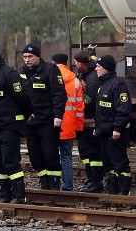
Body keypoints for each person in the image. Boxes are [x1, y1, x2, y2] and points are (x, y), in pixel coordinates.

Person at [0, 45, 32, 204]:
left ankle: (18, 195)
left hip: (9, 126)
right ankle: (4, 194)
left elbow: (23, 98)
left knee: (10, 161)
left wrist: (24, 116)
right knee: (0, 162)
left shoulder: (8, 74)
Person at [19, 43, 67, 190]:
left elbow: (59, 95)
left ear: (38, 57)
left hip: (47, 120)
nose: (27, 60)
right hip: (30, 121)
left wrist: (58, 115)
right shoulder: (21, 72)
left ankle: (54, 183)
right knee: (35, 156)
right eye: (25, 57)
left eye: (30, 57)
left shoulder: (50, 70)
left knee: (50, 154)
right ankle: (43, 180)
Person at [94, 55, 132, 195]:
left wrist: (117, 128)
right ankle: (112, 191)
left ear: (107, 69)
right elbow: (101, 111)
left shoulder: (118, 85)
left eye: (99, 66)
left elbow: (123, 110)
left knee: (120, 163)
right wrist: (98, 128)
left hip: (115, 133)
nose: (96, 69)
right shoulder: (103, 84)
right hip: (104, 132)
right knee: (109, 164)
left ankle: (124, 193)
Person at [52, 53, 84, 191]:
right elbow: (79, 107)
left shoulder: (49, 77)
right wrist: (78, 126)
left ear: (53, 62)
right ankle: (68, 186)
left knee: (52, 157)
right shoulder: (75, 80)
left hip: (52, 125)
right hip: (69, 125)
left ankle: (54, 186)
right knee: (66, 158)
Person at [74, 49, 104, 192]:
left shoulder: (91, 79)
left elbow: (88, 101)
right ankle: (90, 178)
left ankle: (96, 182)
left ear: (79, 64)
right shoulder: (86, 73)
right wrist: (90, 51)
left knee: (93, 152)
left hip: (90, 120)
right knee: (85, 151)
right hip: (84, 120)